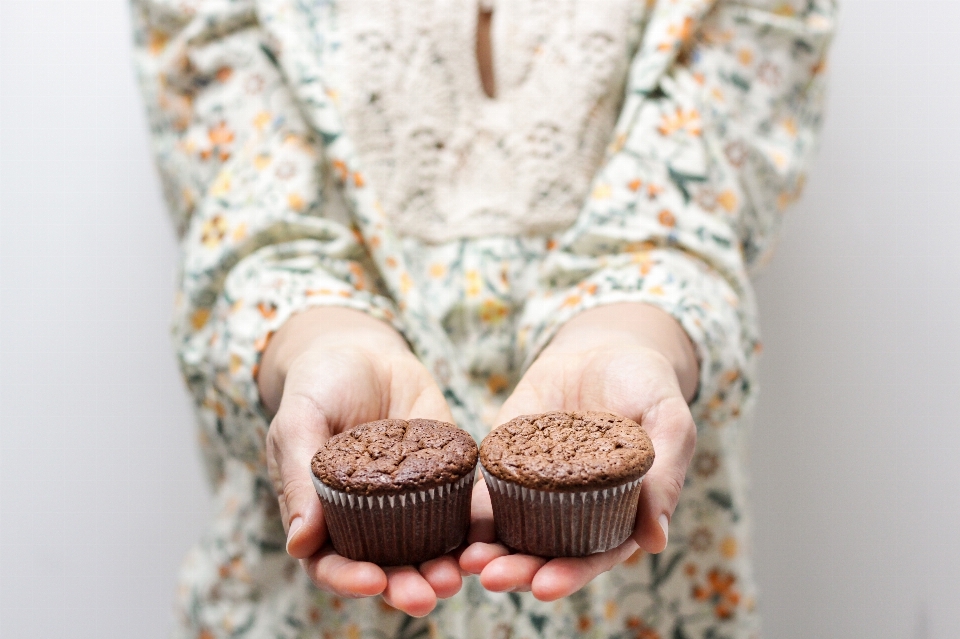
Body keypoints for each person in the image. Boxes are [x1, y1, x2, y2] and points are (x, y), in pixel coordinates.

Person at [133, 0, 837, 636]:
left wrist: (629, 336)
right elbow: (249, 215)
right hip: (310, 612)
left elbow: (697, 199)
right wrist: (321, 340)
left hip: (642, 604)